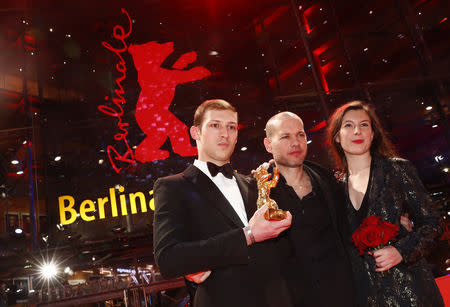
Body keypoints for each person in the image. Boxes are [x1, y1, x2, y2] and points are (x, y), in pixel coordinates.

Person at [153, 99, 293, 307]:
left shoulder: (254, 185)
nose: (224, 134)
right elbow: (169, 259)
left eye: (231, 127)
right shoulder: (173, 187)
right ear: (196, 133)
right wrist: (247, 235)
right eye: (215, 125)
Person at [326, 100, 444, 306]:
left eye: (364, 125)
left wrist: (401, 251)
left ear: (372, 134)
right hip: (366, 295)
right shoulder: (335, 186)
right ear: (337, 137)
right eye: (348, 125)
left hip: (410, 292)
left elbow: (433, 223)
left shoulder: (396, 170)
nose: (357, 131)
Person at [262, 112, 356, 307]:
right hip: (294, 299)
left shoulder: (327, 181)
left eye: (300, 135)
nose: (295, 143)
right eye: (285, 136)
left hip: (344, 294)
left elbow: (351, 223)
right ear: (268, 145)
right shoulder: (258, 192)